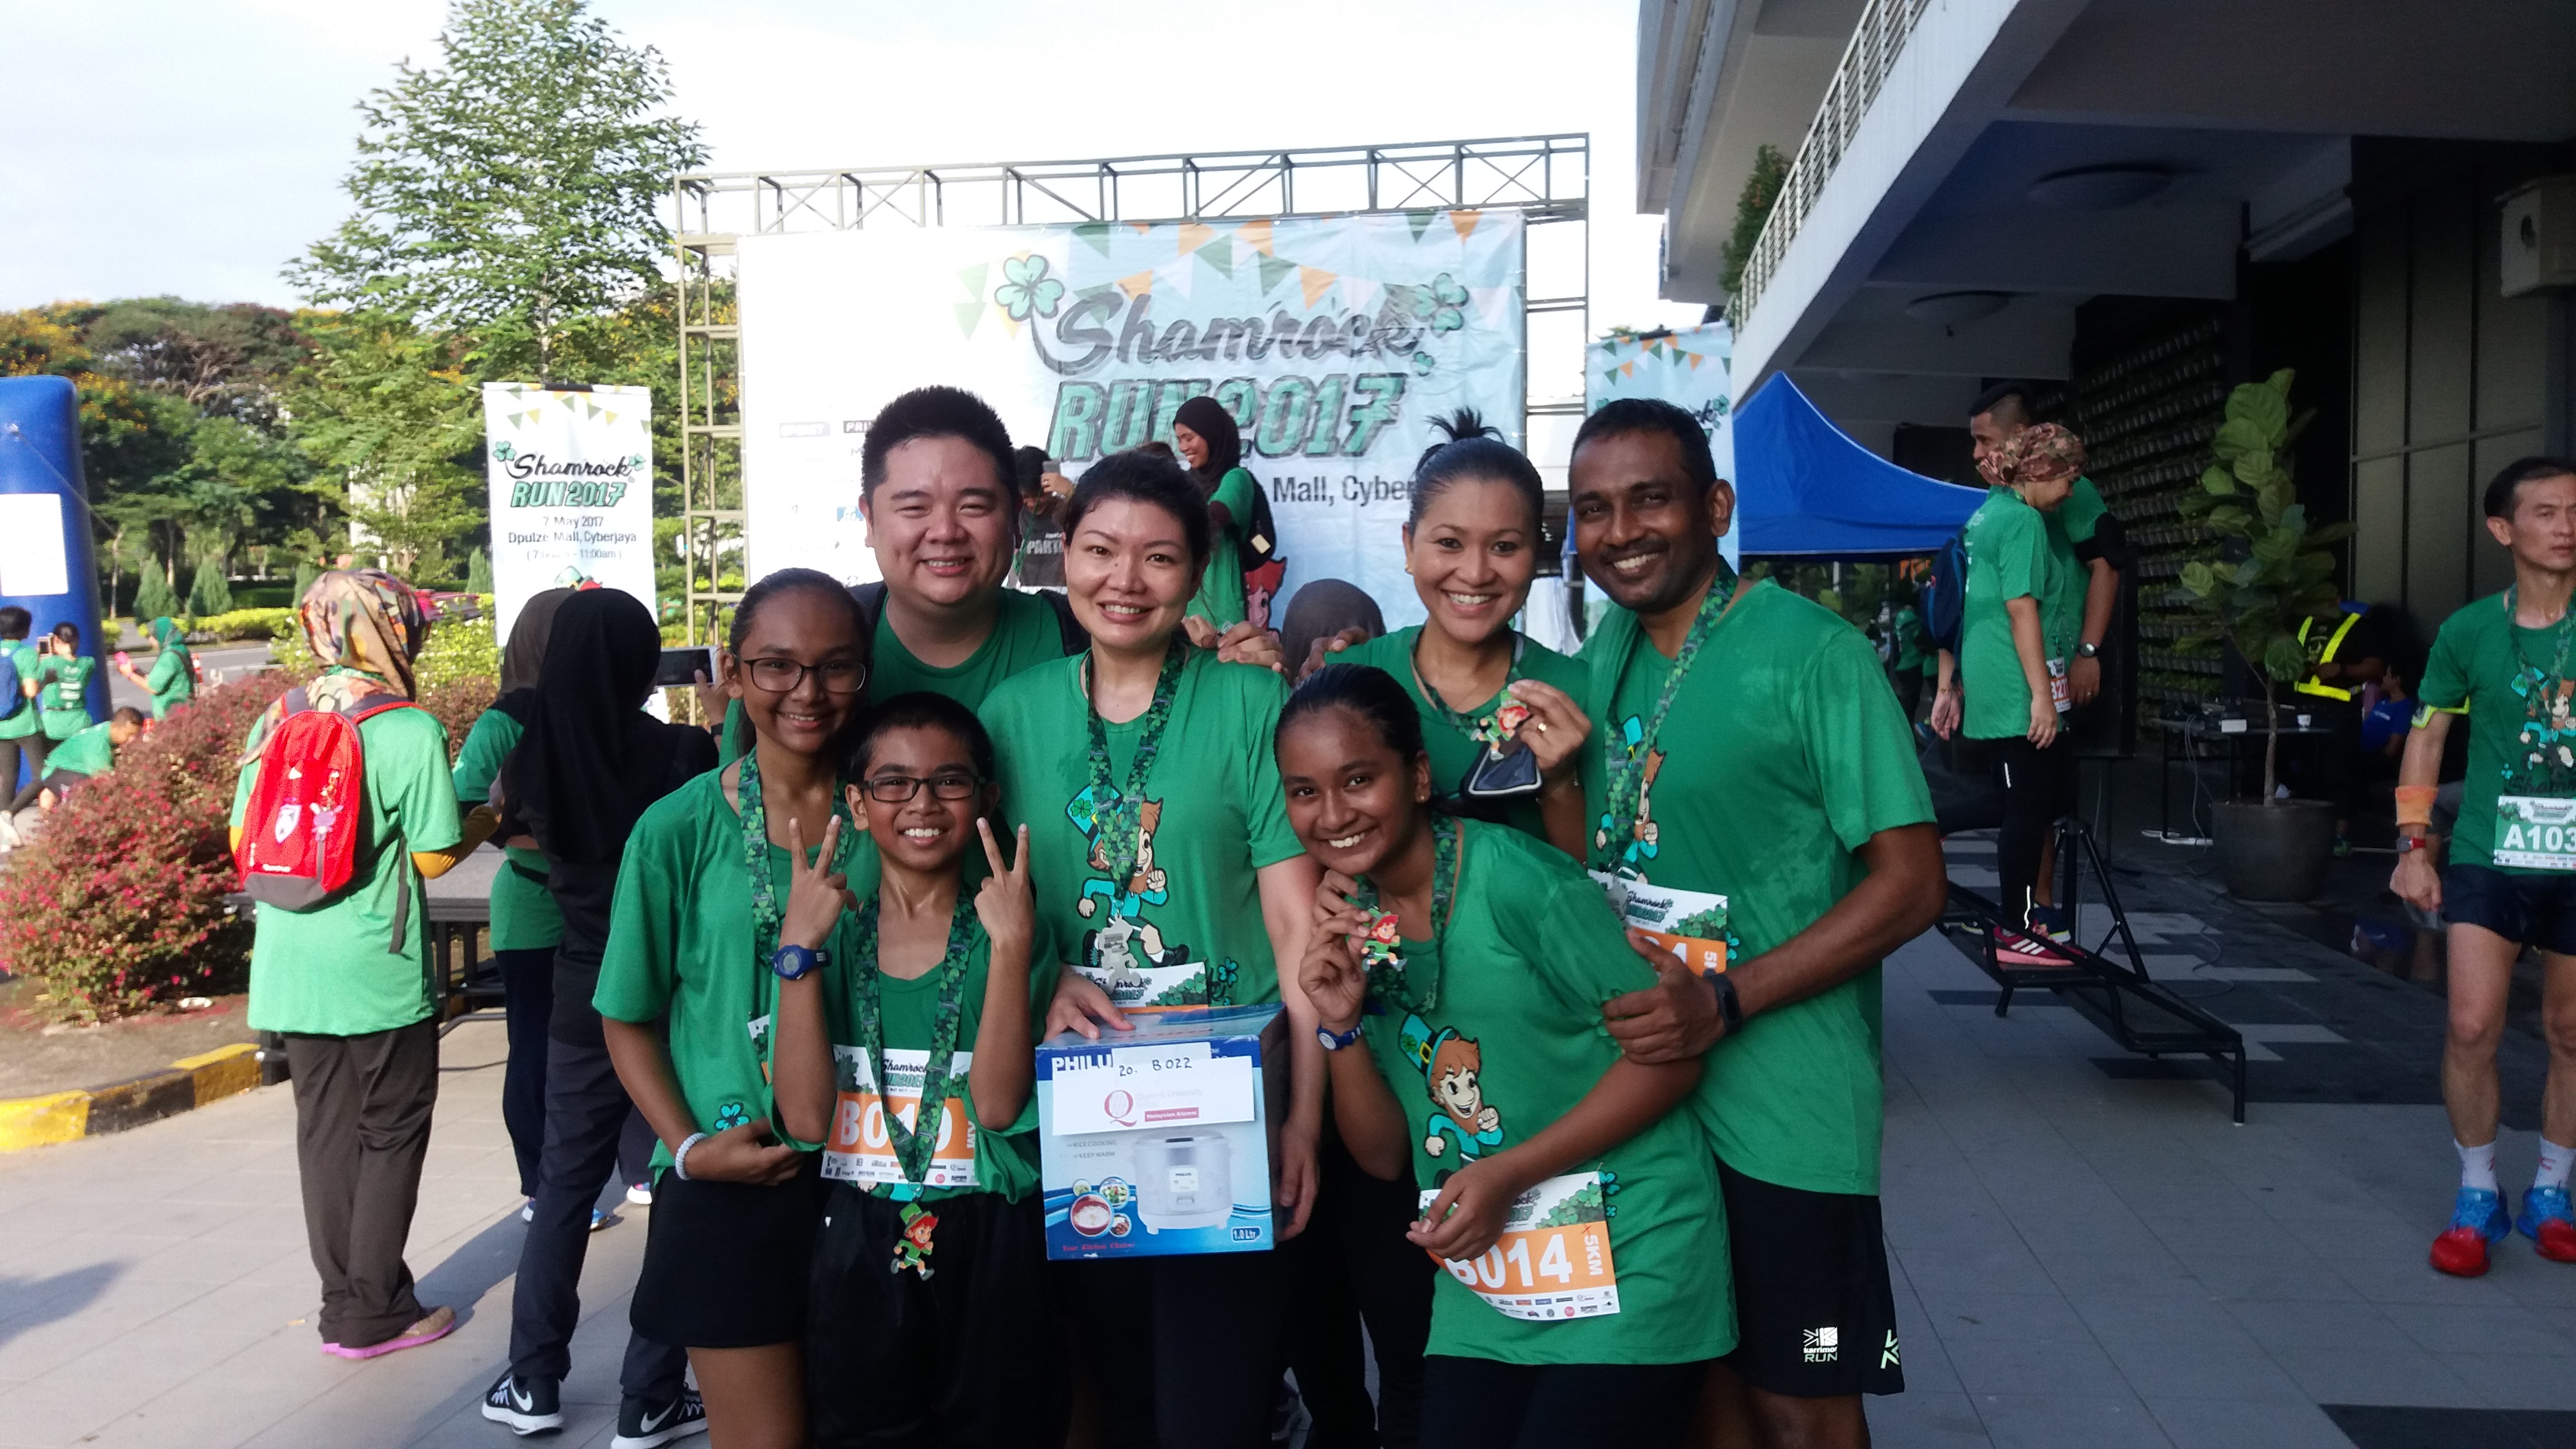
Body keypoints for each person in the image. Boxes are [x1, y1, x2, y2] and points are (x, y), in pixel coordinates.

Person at [1566, 399, 1944, 1449]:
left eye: (1650, 498)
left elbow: (1915, 883)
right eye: (1593, 508)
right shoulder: (1605, 652)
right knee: (1702, 1388)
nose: (1620, 531)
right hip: (1651, 1104)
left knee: (1804, 1397)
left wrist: (1726, 998)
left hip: (1787, 1110)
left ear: (1715, 506)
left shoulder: (1814, 652)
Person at [1281, 663, 1727, 1449]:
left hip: (1631, 1254)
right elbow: (1383, 1158)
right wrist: (1341, 1026)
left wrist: (1509, 1173)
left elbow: (1674, 1058)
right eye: (1304, 791)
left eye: (1358, 780)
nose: (1333, 814)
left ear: (1419, 777)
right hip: (1492, 1282)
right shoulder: (1353, 925)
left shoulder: (1522, 884)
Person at [979, 449, 1321, 1448]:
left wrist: (1305, 1118)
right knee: (1115, 1404)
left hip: (1230, 1119)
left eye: (1159, 557)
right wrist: (1043, 975)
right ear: (1065, 553)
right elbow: (983, 902)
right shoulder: (1012, 714)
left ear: (1198, 571)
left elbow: (1297, 927)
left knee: (1215, 1411)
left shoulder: (1253, 706)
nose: (1124, 580)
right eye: (1100, 550)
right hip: (1076, 1122)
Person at [588, 568, 871, 1449]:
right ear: (736, 675)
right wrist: (687, 1148)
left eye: (835, 665)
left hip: (880, 1173)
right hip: (737, 1180)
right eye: (777, 665)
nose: (807, 691)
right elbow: (626, 1014)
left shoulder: (896, 818)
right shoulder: (676, 829)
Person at [774, 693, 1068, 1447]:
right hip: (859, 1229)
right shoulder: (832, 939)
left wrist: (1011, 951)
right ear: (857, 803)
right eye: (894, 783)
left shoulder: (1011, 929)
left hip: (992, 1233)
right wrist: (798, 953)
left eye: (949, 781)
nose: (923, 803)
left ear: (987, 798)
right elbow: (804, 1120)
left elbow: (996, 1107)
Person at [228, 570, 495, 1359]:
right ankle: (376, 1309)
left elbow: (241, 838)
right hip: (377, 968)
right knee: (391, 1130)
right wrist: (490, 817)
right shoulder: (406, 728)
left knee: (325, 1133)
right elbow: (435, 856)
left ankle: (342, 1303)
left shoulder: (276, 716)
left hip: (290, 963)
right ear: (396, 631)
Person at [485, 588, 721, 1447]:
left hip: (582, 992)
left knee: (564, 1188)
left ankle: (532, 1379)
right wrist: (721, 717)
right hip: (672, 1000)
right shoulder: (681, 752)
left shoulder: (529, 760)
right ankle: (649, 1394)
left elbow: (507, 831)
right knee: (681, 1183)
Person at [2391, 456, 2576, 1278]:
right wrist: (2412, 844)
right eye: (2546, 512)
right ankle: (2477, 1193)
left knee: (2571, 1031)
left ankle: (2552, 1191)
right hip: (2485, 853)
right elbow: (2427, 735)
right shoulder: (2468, 631)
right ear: (2503, 529)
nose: (2566, 526)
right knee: (2471, 1026)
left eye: (2575, 511)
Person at [1298, 410, 1594, 854]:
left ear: (1535, 554)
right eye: (1450, 543)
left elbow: (1595, 875)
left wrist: (1559, 782)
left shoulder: (1575, 695)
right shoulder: (1346, 678)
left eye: (1504, 547)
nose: (1475, 573)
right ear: (1409, 546)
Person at [1933, 424, 2081, 962]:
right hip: (2016, 679)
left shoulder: (1988, 513)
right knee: (2028, 809)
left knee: (2045, 798)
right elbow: (2021, 609)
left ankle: (1939, 821)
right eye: (2068, 477)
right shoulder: (2021, 521)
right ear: (2041, 471)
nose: (2071, 490)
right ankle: (2017, 929)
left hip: (1994, 671)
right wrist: (2041, 696)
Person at [450, 588, 574, 1215]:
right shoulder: (505, 722)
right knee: (536, 1046)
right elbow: (463, 807)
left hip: (605, 907)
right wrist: (523, 833)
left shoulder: (598, 709)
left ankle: (631, 1164)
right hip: (534, 906)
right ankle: (540, 1182)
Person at [1173, 394, 1265, 630]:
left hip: (1221, 613)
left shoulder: (1236, 479)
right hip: (1183, 610)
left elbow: (1212, 517)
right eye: (1179, 440)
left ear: (1211, 435)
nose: (1183, 447)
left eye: (1189, 438)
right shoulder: (1185, 482)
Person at [13, 705, 145, 812]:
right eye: (130, 734)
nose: (133, 739)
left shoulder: (109, 729)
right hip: (57, 771)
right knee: (89, 797)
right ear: (115, 727)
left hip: (75, 768)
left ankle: (49, 796)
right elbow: (106, 780)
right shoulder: (98, 746)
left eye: (136, 735)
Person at [115, 616, 195, 718]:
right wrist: (136, 671)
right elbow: (157, 679)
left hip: (173, 715)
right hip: (183, 709)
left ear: (159, 636)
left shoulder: (169, 657)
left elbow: (153, 687)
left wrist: (129, 674)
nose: (150, 641)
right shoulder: (179, 648)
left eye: (151, 637)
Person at [0, 608, 41, 805]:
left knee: (8, 780)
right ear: (25, 630)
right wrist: (46, 680)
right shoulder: (26, 654)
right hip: (26, 724)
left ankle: (3, 817)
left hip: (2, 726)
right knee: (42, 775)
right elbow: (31, 691)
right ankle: (10, 812)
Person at [34, 621, 97, 746]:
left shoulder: (49, 663)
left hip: (53, 726)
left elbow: (35, 686)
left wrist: (38, 656)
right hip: (79, 722)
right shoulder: (89, 663)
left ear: (55, 640)